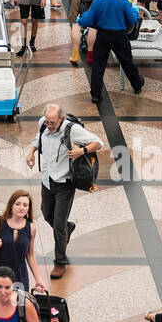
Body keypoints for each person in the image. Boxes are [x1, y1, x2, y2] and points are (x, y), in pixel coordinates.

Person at [25, 104, 101, 279]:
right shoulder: (43, 123)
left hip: (65, 183)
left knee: (58, 225)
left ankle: (60, 262)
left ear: (61, 118)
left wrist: (81, 151)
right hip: (47, 180)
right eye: (48, 122)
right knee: (46, 214)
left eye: (53, 123)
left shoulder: (71, 129)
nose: (49, 125)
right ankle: (68, 228)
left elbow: (98, 142)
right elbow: (39, 137)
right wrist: (31, 151)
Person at [78, 0, 144, 104]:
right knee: (127, 61)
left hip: (103, 36)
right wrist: (135, 11)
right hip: (119, 36)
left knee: (98, 65)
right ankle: (137, 85)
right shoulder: (123, 0)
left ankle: (96, 94)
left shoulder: (98, 1)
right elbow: (132, 19)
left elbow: (87, 19)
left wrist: (79, 19)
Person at [0, 190, 47, 293]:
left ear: (28, 208)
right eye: (17, 204)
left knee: (19, 305)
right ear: (11, 205)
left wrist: (38, 278)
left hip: (20, 276)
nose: (21, 207)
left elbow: (30, 255)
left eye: (25, 205)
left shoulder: (31, 228)